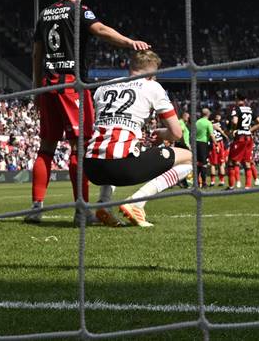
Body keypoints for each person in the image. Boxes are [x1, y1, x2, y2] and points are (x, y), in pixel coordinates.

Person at [26, 0, 149, 224]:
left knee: (46, 148)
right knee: (78, 147)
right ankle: (81, 211)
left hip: (47, 85)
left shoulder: (45, 13)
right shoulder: (80, 10)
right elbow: (101, 30)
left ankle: (36, 208)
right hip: (71, 84)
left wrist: (36, 88)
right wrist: (129, 42)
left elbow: (36, 54)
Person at [83, 50, 193, 227]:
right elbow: (176, 133)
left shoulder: (102, 88)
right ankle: (136, 203)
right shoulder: (152, 87)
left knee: (112, 150)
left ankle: (104, 203)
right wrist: (161, 133)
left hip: (91, 167)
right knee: (189, 158)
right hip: (120, 166)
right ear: (152, 74)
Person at [227, 100, 259, 189]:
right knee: (247, 162)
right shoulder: (250, 109)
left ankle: (231, 186)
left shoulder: (236, 109)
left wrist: (234, 129)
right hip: (249, 137)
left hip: (240, 137)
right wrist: (249, 130)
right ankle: (248, 185)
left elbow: (235, 122)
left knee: (232, 162)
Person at [207, 112, 229, 187]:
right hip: (220, 143)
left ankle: (212, 181)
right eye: (218, 116)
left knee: (213, 164)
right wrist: (226, 136)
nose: (219, 117)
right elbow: (225, 130)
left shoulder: (209, 123)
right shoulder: (221, 124)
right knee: (221, 163)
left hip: (213, 143)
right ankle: (222, 181)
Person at [194, 108, 214, 187]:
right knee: (204, 164)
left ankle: (197, 182)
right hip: (203, 144)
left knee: (197, 163)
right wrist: (216, 143)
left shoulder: (197, 122)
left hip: (196, 143)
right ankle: (204, 183)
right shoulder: (208, 123)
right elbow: (212, 135)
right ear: (208, 114)